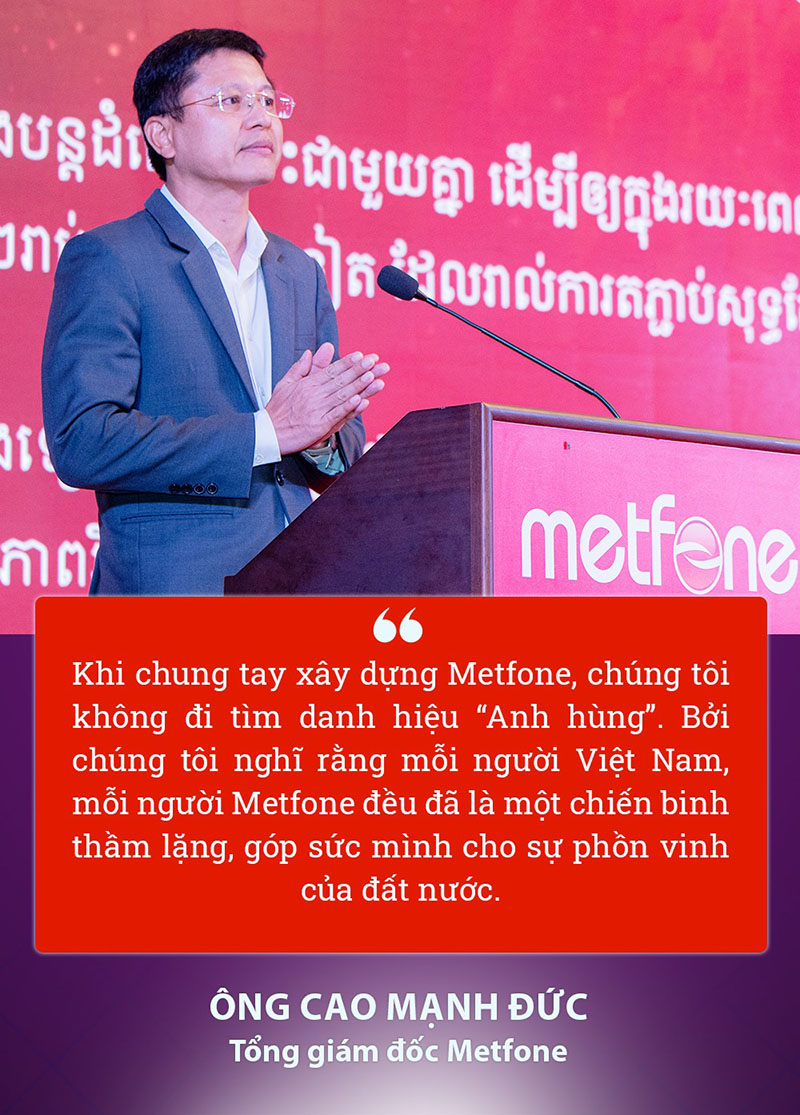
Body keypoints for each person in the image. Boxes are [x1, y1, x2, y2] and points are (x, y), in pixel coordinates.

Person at [42, 28, 387, 595]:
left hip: (301, 591)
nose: (260, 118)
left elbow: (338, 456)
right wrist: (266, 432)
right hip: (173, 600)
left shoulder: (299, 272)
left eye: (268, 101)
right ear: (163, 134)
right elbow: (83, 440)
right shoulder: (111, 258)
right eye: (231, 101)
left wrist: (320, 436)